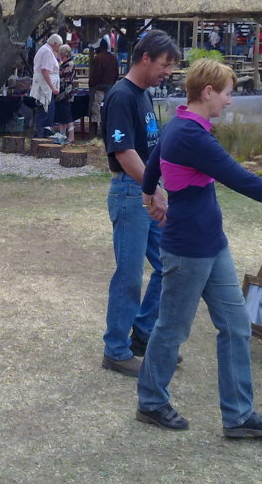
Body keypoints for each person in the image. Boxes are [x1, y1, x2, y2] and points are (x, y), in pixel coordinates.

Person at [136, 59, 262, 436]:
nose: (230, 102)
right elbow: (240, 179)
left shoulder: (183, 124)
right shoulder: (190, 135)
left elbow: (153, 163)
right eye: (228, 94)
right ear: (208, 92)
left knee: (235, 325)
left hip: (211, 245)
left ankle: (238, 415)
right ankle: (151, 401)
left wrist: (152, 194)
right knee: (172, 327)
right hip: (188, 249)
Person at [100, 30, 179, 378]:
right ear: (145, 57)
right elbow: (123, 151)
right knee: (129, 275)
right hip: (132, 195)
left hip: (147, 192)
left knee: (169, 265)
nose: (167, 73)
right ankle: (116, 350)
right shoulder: (122, 96)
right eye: (164, 65)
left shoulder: (143, 95)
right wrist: (153, 189)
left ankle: (143, 335)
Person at [30, 34, 62, 137]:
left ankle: (42, 135)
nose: (58, 48)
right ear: (55, 43)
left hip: (44, 86)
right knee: (45, 113)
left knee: (45, 112)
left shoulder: (45, 50)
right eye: (58, 45)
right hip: (45, 88)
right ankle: (42, 137)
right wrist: (53, 87)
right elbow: (45, 71)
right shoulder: (47, 52)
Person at [88, 38, 118, 138]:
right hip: (110, 87)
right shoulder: (113, 58)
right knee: (107, 109)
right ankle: (106, 130)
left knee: (96, 110)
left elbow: (95, 75)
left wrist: (91, 84)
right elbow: (116, 74)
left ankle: (98, 132)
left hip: (99, 88)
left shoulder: (98, 58)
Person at [54, 44, 76, 142]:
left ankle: (71, 137)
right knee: (61, 116)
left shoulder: (69, 64)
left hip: (66, 94)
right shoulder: (64, 64)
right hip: (61, 95)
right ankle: (62, 135)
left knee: (67, 116)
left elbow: (63, 78)